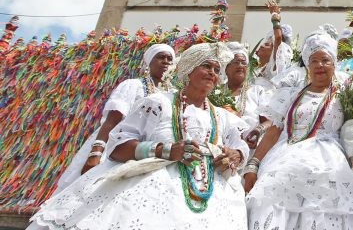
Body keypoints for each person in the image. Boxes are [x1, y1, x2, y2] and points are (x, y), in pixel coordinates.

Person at [28, 42, 250, 229]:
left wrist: (236, 155)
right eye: (206, 66)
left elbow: (241, 143)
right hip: (150, 184)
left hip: (210, 192)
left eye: (216, 69)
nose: (212, 73)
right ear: (188, 70)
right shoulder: (158, 103)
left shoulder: (223, 117)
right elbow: (118, 147)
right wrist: (166, 150)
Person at [244, 32, 353, 230]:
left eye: (325, 60)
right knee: (271, 198)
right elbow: (274, 131)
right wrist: (253, 166)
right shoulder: (291, 94)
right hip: (287, 155)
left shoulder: (345, 95)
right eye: (314, 61)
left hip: (330, 161)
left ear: (334, 65)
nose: (319, 65)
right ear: (307, 66)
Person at [54, 43, 177, 192]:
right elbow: (112, 120)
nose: (165, 62)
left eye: (169, 59)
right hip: (117, 148)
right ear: (149, 63)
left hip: (149, 152)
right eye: (160, 57)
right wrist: (96, 154)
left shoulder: (172, 95)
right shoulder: (133, 85)